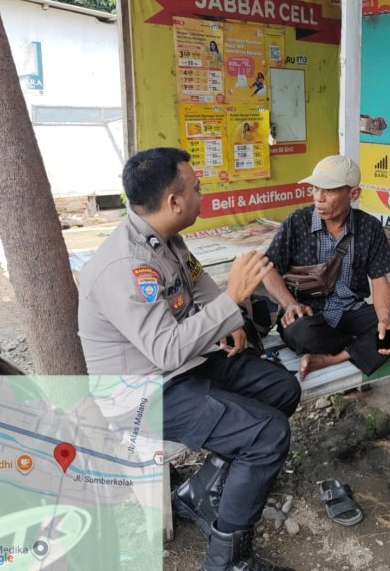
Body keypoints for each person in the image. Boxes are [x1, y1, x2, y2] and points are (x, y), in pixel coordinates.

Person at [78, 147, 298, 571]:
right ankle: (226, 561)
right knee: (268, 435)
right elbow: (165, 350)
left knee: (282, 387)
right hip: (142, 392)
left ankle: (201, 490)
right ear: (173, 201)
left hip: (183, 367)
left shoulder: (168, 239)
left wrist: (229, 314)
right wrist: (233, 300)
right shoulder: (128, 265)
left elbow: (199, 287)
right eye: (197, 188)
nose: (203, 194)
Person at [260, 155, 390, 380]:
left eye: (328, 190)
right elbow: (268, 268)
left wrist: (384, 320)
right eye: (315, 189)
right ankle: (362, 345)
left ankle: (331, 358)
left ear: (354, 194)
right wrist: (290, 305)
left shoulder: (369, 227)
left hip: (351, 312)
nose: (318, 198)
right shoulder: (297, 222)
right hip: (308, 314)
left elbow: (378, 279)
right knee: (303, 334)